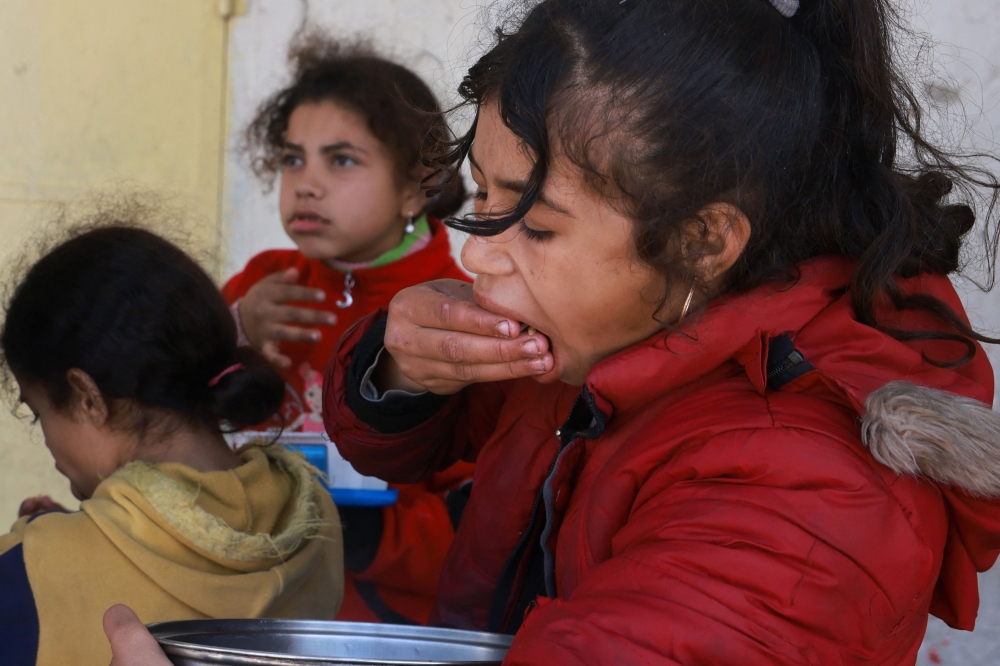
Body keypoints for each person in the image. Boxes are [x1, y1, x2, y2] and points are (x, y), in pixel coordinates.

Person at [104, 0, 1000, 662]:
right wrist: (400, 366)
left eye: (535, 226)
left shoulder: (809, 500)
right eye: (484, 201)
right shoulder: (610, 336)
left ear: (703, 241)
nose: (482, 257)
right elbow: (419, 448)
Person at [0, 224, 343, 666]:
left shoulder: (28, 574)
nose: (46, 439)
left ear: (86, 398)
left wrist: (59, 546)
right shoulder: (318, 516)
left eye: (38, 412)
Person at [221, 33, 474, 625]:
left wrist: (367, 534)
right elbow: (178, 403)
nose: (306, 183)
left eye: (341, 160)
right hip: (252, 599)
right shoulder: (264, 285)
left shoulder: (459, 311)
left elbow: (479, 518)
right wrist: (236, 329)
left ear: (415, 186)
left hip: (377, 621)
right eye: (292, 158)